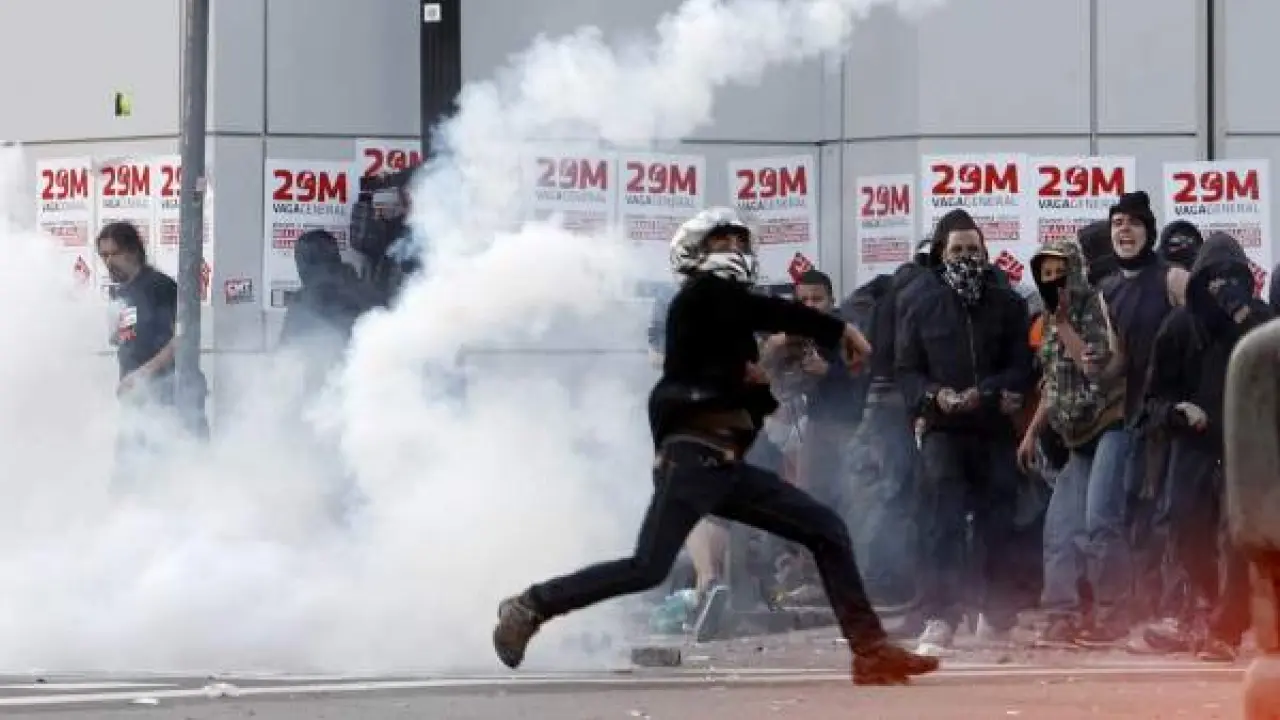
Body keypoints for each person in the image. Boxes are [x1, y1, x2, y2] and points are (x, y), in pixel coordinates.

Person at [492, 207, 939, 685]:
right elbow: (762, 313)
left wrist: (759, 376)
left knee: (823, 530)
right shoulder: (699, 297)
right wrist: (838, 329)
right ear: (695, 252)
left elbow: (742, 388)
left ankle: (870, 652)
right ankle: (531, 606)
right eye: (723, 242)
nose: (735, 251)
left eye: (740, 243)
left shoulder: (722, 323)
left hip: (721, 465)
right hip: (693, 462)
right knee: (648, 567)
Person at [897, 208, 1035, 651]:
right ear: (942, 253)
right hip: (943, 430)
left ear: (986, 253)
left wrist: (987, 392)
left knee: (999, 519)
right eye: (957, 250)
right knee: (943, 520)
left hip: (992, 427)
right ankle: (940, 616)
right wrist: (934, 395)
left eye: (973, 249)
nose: (966, 257)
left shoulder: (1008, 303)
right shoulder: (920, 303)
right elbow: (906, 371)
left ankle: (995, 615)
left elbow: (1022, 367)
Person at [1139, 232, 1272, 660]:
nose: (1223, 286)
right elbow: (1151, 401)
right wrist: (1177, 411)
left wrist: (1246, 321)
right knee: (1185, 525)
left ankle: (1226, 628)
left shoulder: (1265, 324)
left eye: (1233, 276)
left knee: (1238, 536)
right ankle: (1207, 605)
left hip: (1247, 448)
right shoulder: (1178, 327)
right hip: (1194, 443)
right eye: (1214, 277)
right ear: (1199, 282)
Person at [1018, 237, 1129, 645]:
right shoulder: (1049, 320)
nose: (1053, 280)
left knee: (1100, 523)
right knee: (1059, 530)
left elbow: (1095, 368)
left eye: (1059, 272)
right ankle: (1061, 615)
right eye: (1045, 274)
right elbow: (1053, 383)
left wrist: (1065, 324)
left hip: (1109, 425)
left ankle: (1111, 616)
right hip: (1076, 435)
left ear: (1076, 272)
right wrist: (1031, 432)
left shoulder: (1094, 307)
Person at [1098, 190, 1189, 632]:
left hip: (1175, 417)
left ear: (1148, 231)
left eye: (1133, 222)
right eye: (1118, 223)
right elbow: (1117, 361)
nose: (1125, 230)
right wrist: (1092, 368)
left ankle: (1176, 611)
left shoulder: (1173, 279)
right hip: (1133, 417)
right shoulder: (1107, 291)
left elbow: (1203, 337)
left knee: (1172, 514)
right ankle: (1144, 611)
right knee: (1136, 514)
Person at [99, 221, 208, 489]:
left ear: (133, 251)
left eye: (114, 253)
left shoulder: (159, 287)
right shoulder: (121, 292)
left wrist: (143, 373)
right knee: (127, 477)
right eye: (103, 255)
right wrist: (115, 331)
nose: (108, 262)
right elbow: (125, 338)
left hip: (169, 397)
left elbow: (183, 337)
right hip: (137, 401)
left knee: (165, 477)